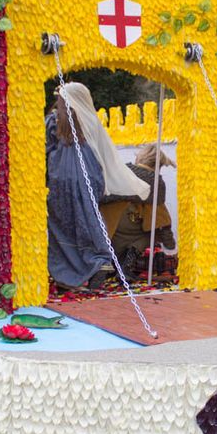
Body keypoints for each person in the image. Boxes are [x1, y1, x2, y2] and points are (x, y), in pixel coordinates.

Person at [46, 82, 150, 289]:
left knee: (63, 228)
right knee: (89, 218)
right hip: (90, 176)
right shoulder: (91, 121)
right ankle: (98, 260)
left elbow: (45, 148)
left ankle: (68, 275)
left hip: (61, 181)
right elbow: (104, 153)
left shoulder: (55, 120)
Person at [107, 144, 177, 280]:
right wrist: (170, 247)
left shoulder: (122, 171)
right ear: (158, 165)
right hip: (132, 226)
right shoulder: (156, 182)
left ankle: (108, 267)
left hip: (109, 227)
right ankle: (127, 265)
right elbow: (162, 220)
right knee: (153, 231)